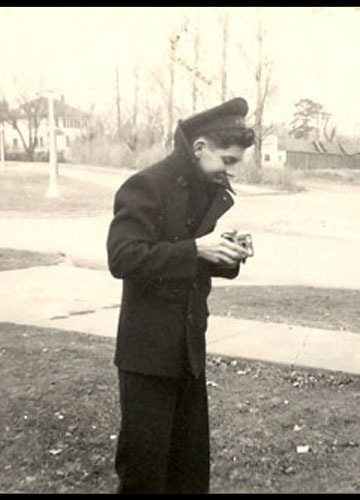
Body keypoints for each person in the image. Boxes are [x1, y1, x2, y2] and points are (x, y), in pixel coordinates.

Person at [106, 97, 255, 493]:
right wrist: (198, 249)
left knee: (189, 471)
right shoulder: (147, 185)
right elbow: (123, 257)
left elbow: (189, 256)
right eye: (227, 159)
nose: (231, 170)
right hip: (147, 355)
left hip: (188, 352)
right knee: (144, 473)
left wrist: (225, 255)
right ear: (200, 148)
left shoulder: (204, 186)